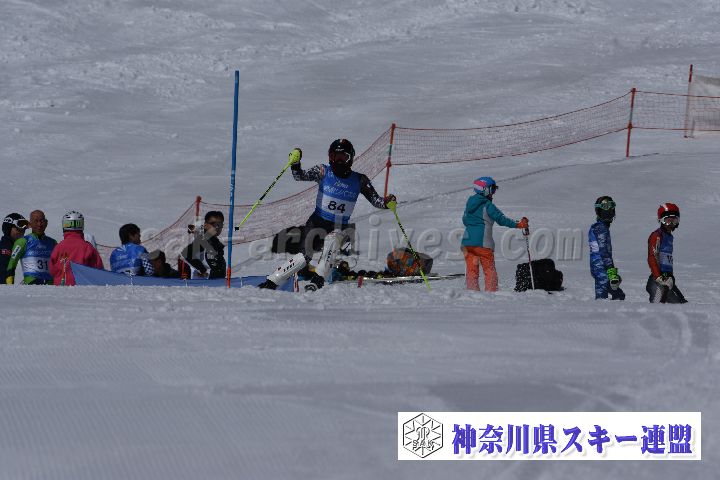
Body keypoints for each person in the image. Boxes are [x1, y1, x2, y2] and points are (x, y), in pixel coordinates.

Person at [258, 139, 396, 291]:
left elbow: (377, 201)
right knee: (303, 258)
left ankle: (318, 279)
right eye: (335, 156)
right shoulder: (323, 171)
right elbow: (299, 176)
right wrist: (295, 163)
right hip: (316, 223)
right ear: (330, 157)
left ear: (351, 158)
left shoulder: (359, 180)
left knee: (333, 239)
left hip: (339, 226)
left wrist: (387, 202)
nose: (339, 161)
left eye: (343, 157)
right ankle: (272, 282)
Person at [461, 177, 528, 292]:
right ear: (484, 190)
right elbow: (502, 220)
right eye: (492, 189)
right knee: (489, 269)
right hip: (483, 243)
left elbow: (465, 220)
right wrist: (519, 224)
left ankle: (472, 291)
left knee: (472, 270)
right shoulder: (487, 205)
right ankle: (491, 293)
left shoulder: (469, 205)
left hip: (467, 243)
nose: (493, 193)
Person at [49, 211, 104, 286]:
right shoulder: (87, 247)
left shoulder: (58, 247)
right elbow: (98, 269)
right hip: (82, 287)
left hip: (61, 287)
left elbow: (52, 269)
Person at [646, 203, 687, 303]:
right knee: (657, 305)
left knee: (681, 304)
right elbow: (652, 257)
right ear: (661, 220)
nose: (671, 224)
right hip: (658, 280)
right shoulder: (657, 236)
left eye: (674, 220)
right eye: (668, 221)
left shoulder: (669, 237)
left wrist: (669, 277)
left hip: (667, 278)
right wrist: (658, 277)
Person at [588, 196, 625, 300]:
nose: (608, 211)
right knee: (612, 296)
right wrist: (611, 270)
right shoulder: (601, 228)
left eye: (611, 207)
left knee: (609, 295)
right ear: (599, 210)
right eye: (605, 207)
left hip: (598, 267)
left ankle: (603, 308)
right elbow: (603, 251)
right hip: (602, 269)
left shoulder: (597, 227)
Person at [6, 210, 57, 285]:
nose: (39, 224)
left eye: (41, 221)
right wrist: (10, 287)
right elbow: (11, 267)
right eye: (36, 221)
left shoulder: (53, 243)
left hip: (50, 287)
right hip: (31, 287)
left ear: (46, 223)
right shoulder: (22, 242)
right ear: (30, 224)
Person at [180, 211, 226, 279]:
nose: (217, 227)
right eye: (213, 224)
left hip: (216, 281)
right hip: (204, 283)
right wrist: (203, 270)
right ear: (205, 225)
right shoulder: (204, 239)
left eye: (220, 224)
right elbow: (186, 254)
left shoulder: (211, 239)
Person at [1, 213, 29, 285]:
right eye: (18, 229)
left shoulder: (15, 246)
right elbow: (4, 270)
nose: (21, 232)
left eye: (23, 230)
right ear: (8, 228)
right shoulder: (5, 247)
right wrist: (7, 287)